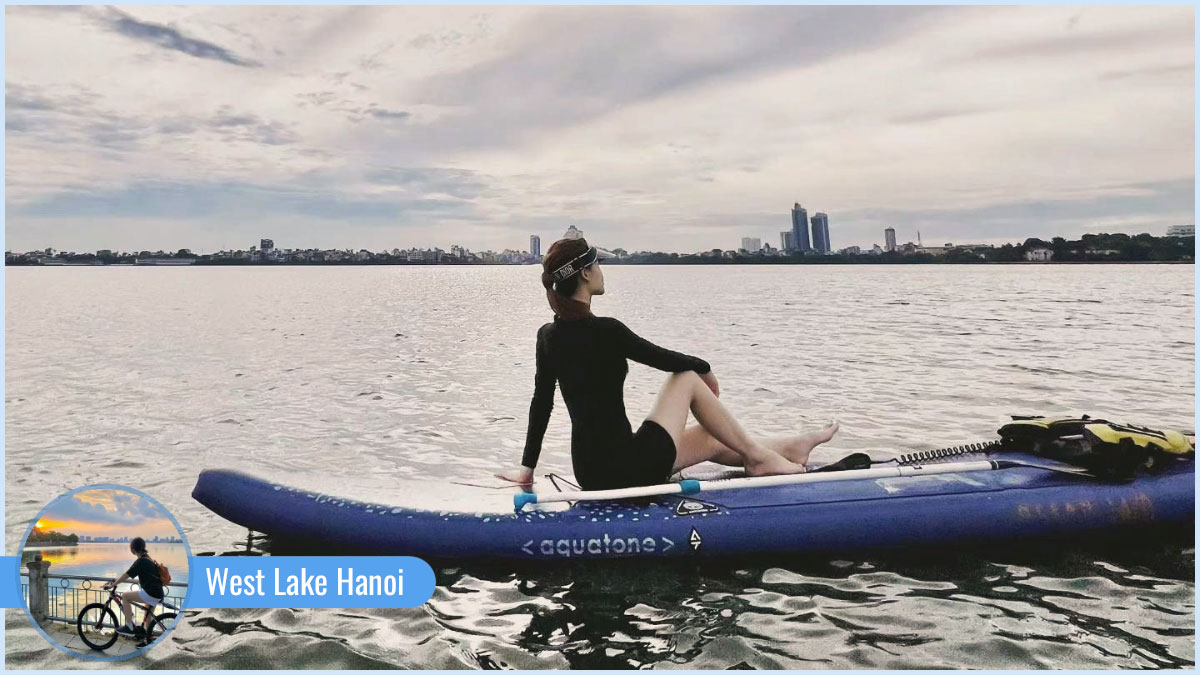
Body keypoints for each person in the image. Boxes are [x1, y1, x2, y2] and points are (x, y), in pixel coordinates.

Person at [499, 237, 838, 491]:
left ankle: (790, 447)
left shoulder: (548, 337)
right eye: (598, 265)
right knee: (687, 378)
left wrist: (527, 470)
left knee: (711, 436)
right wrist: (704, 367)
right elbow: (667, 360)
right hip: (627, 469)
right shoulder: (607, 330)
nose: (602, 271)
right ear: (586, 273)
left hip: (591, 472)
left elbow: (540, 404)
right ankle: (761, 459)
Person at [103, 537, 164, 638]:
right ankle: (147, 639)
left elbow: (126, 575)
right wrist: (119, 580)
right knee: (148, 616)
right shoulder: (147, 558)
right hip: (157, 592)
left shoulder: (140, 561)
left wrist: (112, 585)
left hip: (151, 593)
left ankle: (130, 627)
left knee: (125, 596)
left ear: (132, 550)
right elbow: (143, 577)